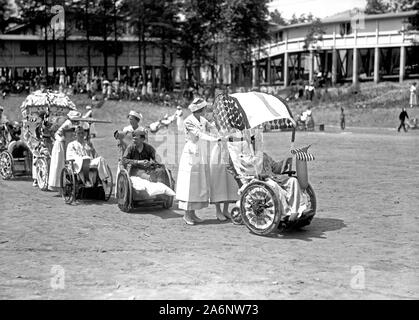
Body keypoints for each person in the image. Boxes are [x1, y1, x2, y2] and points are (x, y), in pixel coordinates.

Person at [176, 97, 222, 225]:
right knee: (190, 182)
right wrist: (214, 140)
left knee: (197, 182)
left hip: (201, 152)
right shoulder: (188, 121)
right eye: (204, 109)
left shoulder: (202, 119)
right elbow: (198, 134)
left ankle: (193, 213)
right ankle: (186, 215)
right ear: (199, 110)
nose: (205, 111)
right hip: (191, 152)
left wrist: (219, 134)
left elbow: (212, 128)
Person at [66, 126, 112, 191]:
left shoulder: (86, 144)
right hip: (77, 163)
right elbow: (70, 156)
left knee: (101, 159)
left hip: (89, 162)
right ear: (75, 135)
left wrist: (92, 149)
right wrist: (80, 158)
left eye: (82, 133)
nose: (81, 135)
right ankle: (87, 180)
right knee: (85, 158)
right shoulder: (71, 144)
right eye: (79, 133)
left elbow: (95, 155)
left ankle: (103, 178)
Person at [48, 110, 81, 191]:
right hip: (61, 145)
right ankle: (59, 185)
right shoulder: (68, 123)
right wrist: (61, 139)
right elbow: (57, 134)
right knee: (59, 164)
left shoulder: (74, 123)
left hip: (67, 143)